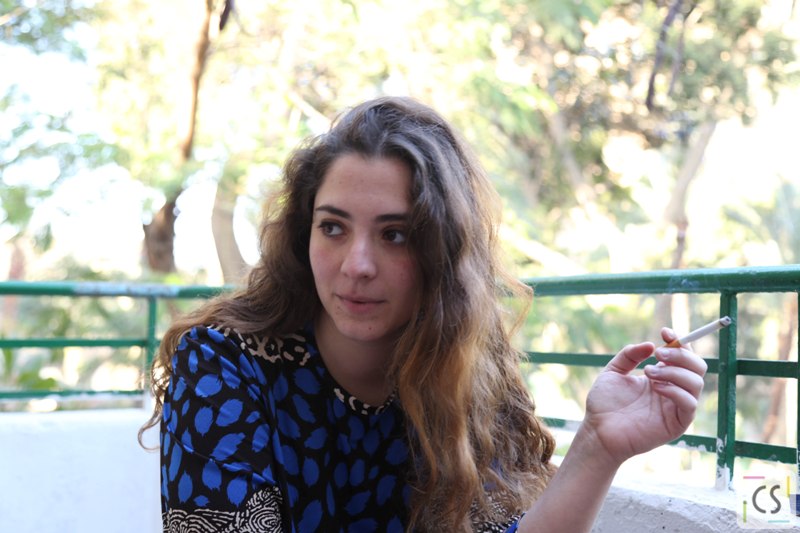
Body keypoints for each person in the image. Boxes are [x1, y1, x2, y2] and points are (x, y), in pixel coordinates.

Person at [140, 96, 708, 532]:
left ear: (442, 253)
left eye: (396, 234)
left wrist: (598, 446)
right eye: (333, 227)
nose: (357, 265)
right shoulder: (224, 363)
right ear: (301, 233)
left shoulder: (467, 375)